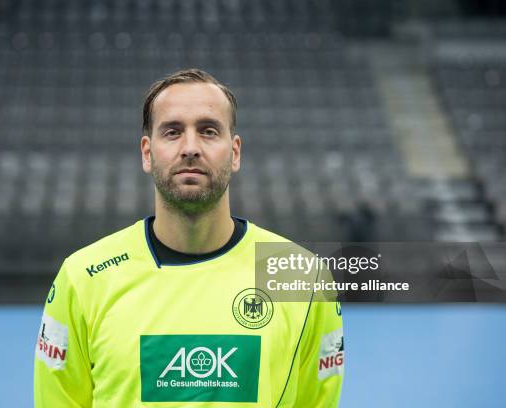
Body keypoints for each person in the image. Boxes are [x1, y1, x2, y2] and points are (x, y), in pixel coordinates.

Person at [34, 68, 344, 407]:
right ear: (147, 152)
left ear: (235, 152)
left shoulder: (301, 276)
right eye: (172, 132)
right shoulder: (83, 276)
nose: (190, 147)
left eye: (209, 131)